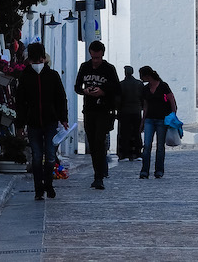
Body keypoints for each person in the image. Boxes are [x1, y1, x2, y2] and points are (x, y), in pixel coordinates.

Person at [14, 42, 69, 201]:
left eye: (39, 61)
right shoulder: (25, 77)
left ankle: (49, 184)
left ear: (44, 59)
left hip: (51, 122)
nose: (37, 64)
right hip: (33, 123)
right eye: (34, 61)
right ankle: (38, 189)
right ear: (29, 61)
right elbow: (20, 103)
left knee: (50, 155)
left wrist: (63, 118)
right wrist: (20, 125)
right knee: (37, 156)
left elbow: (60, 99)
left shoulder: (53, 76)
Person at [74, 40, 121, 190]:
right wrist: (85, 91)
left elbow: (117, 88)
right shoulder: (84, 67)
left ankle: (98, 176)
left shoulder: (109, 69)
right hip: (89, 110)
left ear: (102, 55)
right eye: (93, 58)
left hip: (104, 110)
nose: (95, 61)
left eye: (98, 58)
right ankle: (99, 170)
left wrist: (103, 91)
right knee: (93, 144)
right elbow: (77, 86)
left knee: (99, 141)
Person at [138, 65, 177, 180]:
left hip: (162, 120)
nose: (141, 79)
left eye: (142, 76)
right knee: (147, 146)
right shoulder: (145, 89)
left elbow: (172, 101)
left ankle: (159, 170)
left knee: (160, 147)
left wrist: (173, 117)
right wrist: (142, 122)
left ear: (147, 75)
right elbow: (145, 106)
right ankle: (144, 171)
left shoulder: (163, 86)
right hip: (149, 120)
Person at [117, 65, 144, 160]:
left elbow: (118, 100)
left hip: (124, 111)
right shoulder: (139, 84)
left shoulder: (121, 85)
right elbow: (142, 98)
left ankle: (125, 154)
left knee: (124, 133)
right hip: (136, 111)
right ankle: (137, 153)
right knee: (137, 132)